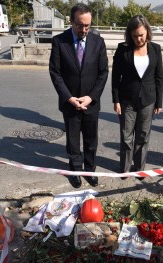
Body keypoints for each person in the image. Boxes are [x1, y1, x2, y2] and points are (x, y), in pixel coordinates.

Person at [49, 3, 109, 188]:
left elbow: (103, 73)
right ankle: (75, 170)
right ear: (72, 21)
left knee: (91, 141)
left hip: (91, 103)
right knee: (73, 141)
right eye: (80, 25)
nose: (84, 29)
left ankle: (89, 170)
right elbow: (55, 73)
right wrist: (69, 97)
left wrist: (91, 97)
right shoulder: (60, 41)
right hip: (70, 103)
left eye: (87, 26)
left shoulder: (98, 42)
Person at [111, 15, 163, 178]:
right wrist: (116, 99)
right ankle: (125, 169)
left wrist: (158, 102)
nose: (138, 39)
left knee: (143, 136)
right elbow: (115, 77)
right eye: (134, 36)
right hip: (127, 100)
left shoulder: (155, 49)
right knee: (126, 137)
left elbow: (158, 77)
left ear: (147, 31)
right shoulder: (123, 49)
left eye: (141, 34)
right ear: (130, 35)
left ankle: (139, 168)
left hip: (148, 100)